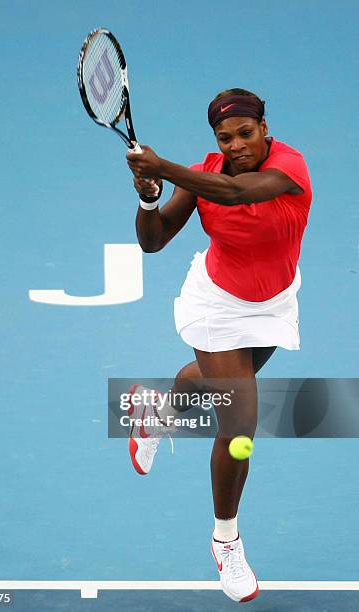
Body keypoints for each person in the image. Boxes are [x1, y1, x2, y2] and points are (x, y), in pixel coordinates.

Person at [125, 88, 312, 603]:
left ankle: (155, 410)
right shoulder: (203, 174)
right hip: (217, 305)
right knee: (239, 425)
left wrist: (163, 167)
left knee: (219, 384)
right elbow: (153, 239)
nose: (236, 146)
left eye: (245, 134)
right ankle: (225, 540)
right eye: (225, 138)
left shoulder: (290, 167)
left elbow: (236, 194)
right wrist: (149, 196)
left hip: (274, 302)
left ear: (264, 128)